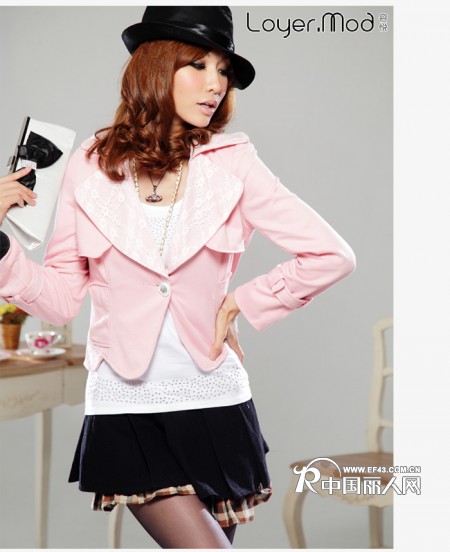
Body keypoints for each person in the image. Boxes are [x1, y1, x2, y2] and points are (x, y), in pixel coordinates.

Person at [0, 6, 356, 549]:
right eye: (198, 65)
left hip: (215, 399)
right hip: (126, 403)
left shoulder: (233, 162)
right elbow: (61, 299)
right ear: (155, 67)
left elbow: (332, 254)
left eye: (224, 71)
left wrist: (243, 300)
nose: (216, 84)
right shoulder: (88, 166)